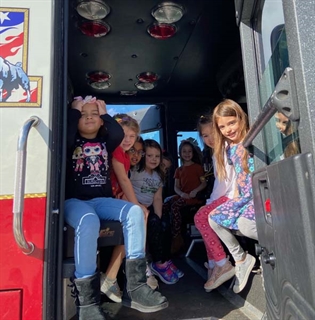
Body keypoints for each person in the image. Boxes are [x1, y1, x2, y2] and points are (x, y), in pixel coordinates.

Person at [65, 96, 168, 319]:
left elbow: (118, 133)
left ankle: (137, 286)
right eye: (84, 115)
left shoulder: (106, 143)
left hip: (101, 201)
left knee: (134, 211)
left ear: (102, 120)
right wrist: (75, 110)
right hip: (76, 202)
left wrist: (104, 113)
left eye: (94, 114)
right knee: (88, 220)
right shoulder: (71, 141)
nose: (89, 117)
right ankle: (87, 304)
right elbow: (66, 132)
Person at [209, 99, 258, 294]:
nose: (228, 130)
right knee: (213, 217)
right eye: (222, 126)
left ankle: (283, 241)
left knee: (246, 225)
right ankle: (241, 259)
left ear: (241, 118)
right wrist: (235, 198)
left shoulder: (252, 138)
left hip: (259, 193)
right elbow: (238, 174)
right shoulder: (229, 148)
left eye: (231, 123)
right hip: (244, 195)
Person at [100, 113, 149, 303]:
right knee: (140, 215)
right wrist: (135, 205)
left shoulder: (124, 153)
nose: (128, 140)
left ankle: (114, 275)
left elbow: (121, 183)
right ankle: (137, 272)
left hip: (115, 196)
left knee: (141, 216)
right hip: (107, 198)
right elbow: (122, 178)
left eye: (132, 136)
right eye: (124, 135)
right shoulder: (116, 151)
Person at [130, 139, 183, 285]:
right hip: (135, 207)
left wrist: (159, 218)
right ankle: (158, 263)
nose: (154, 159)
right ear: (143, 156)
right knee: (153, 223)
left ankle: (165, 259)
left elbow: (158, 198)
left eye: (157, 156)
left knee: (164, 224)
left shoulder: (158, 175)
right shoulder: (135, 171)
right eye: (149, 155)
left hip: (149, 208)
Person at [194, 114, 236, 292]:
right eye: (205, 135)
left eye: (213, 133)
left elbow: (223, 184)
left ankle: (222, 263)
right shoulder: (216, 153)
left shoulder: (225, 149)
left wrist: (210, 202)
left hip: (232, 196)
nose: (210, 138)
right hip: (226, 195)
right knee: (203, 217)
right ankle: (213, 264)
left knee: (201, 217)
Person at [163, 140, 207, 253]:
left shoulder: (197, 167)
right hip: (184, 196)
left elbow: (204, 183)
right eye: (184, 151)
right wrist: (182, 194)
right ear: (180, 153)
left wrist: (195, 191)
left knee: (175, 207)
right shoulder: (178, 170)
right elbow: (176, 187)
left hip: (194, 198)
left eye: (189, 151)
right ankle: (166, 233)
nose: (187, 154)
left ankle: (177, 238)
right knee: (166, 204)